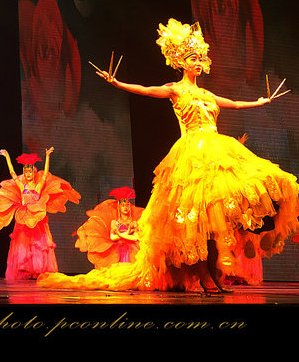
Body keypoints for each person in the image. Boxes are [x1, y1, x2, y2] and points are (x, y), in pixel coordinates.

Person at [40, 19, 299, 293]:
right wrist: (118, 83)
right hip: (190, 153)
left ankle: (214, 274)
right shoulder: (176, 89)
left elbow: (233, 103)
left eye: (200, 58)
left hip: (216, 150)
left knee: (214, 221)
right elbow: (147, 90)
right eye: (192, 58)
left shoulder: (206, 93)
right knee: (196, 222)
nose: (197, 63)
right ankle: (203, 275)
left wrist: (260, 102)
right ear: (182, 62)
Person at [0, 147, 80, 280]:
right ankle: (26, 271)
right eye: (25, 172)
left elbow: (46, 174)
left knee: (38, 246)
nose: (28, 174)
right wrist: (7, 157)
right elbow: (12, 173)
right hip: (24, 219)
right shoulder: (22, 186)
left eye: (30, 172)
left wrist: (47, 156)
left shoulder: (38, 186)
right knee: (23, 246)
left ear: (33, 173)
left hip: (37, 219)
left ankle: (38, 271)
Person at [73, 186, 143, 268]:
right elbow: (113, 237)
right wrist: (128, 233)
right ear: (119, 207)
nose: (125, 208)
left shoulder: (134, 222)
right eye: (123, 205)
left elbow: (135, 238)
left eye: (127, 205)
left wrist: (119, 233)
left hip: (132, 251)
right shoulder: (114, 222)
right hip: (115, 252)